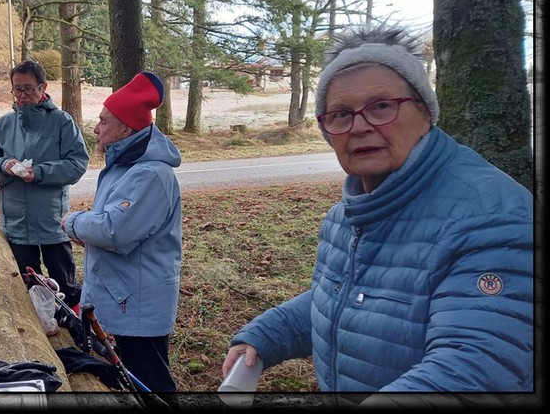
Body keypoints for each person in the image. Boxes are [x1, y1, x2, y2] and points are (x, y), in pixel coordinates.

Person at [223, 26, 534, 400]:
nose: (359, 126)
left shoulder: (491, 216)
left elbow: (474, 367)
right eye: (341, 114)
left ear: (425, 111)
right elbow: (343, 299)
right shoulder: (347, 215)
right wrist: (266, 336)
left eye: (381, 106)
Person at [60, 71, 182, 393]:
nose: (96, 128)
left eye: (103, 121)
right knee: (132, 378)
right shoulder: (124, 167)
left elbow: (115, 231)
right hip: (128, 297)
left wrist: (73, 222)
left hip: (141, 305)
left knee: (151, 384)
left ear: (126, 129)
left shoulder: (150, 174)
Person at [0, 60, 89, 311]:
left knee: (65, 287)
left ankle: (75, 326)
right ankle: (39, 328)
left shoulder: (62, 122)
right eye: (17, 89)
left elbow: (77, 164)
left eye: (28, 88)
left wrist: (39, 172)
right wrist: (4, 166)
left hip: (53, 223)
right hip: (16, 225)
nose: (22, 95)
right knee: (28, 287)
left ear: (43, 87)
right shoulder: (4, 125)